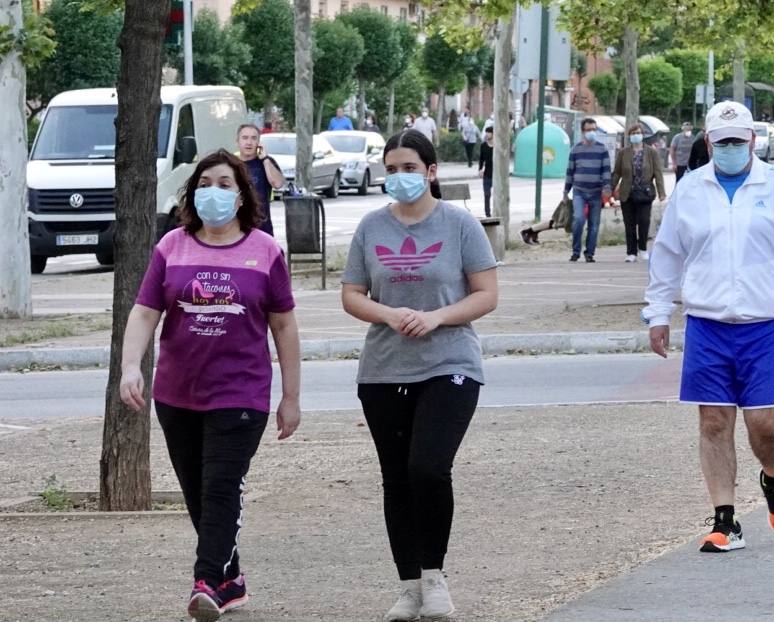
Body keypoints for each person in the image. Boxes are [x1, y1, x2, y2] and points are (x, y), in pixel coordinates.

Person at [643, 101, 774, 555]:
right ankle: (725, 521)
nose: (731, 148)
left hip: (763, 323)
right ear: (709, 142)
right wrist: (658, 314)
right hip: (707, 323)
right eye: (722, 141)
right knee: (713, 420)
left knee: (766, 425)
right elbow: (666, 256)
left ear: (753, 140)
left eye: (738, 140)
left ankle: (772, 480)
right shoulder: (690, 191)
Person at [119, 149, 301, 621]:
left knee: (222, 487)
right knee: (200, 494)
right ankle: (232, 579)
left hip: (241, 392)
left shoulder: (265, 250)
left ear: (241, 195)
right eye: (204, 184)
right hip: (177, 394)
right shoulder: (171, 247)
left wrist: (291, 396)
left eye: (224, 183)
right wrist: (130, 367)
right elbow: (144, 312)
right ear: (191, 192)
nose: (213, 192)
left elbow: (284, 327)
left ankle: (205, 582)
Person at [340, 129, 498, 622]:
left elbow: (486, 294)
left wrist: (435, 317)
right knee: (397, 477)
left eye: (409, 168)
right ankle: (408, 585)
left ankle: (435, 576)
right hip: (385, 368)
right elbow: (352, 293)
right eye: (391, 169)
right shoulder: (370, 227)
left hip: (449, 361)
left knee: (428, 467)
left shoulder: (459, 224)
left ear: (431, 172)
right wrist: (388, 314)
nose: (399, 177)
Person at [612, 123, 667, 263]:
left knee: (644, 221)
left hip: (644, 193)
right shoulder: (623, 153)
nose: (635, 135)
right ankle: (631, 252)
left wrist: (662, 193)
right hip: (627, 193)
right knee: (629, 224)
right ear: (629, 136)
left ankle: (642, 247)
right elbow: (617, 172)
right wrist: (610, 189)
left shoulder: (651, 152)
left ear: (642, 135)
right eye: (633, 133)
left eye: (638, 133)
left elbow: (658, 173)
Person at [563, 118, 612, 263]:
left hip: (596, 192)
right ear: (583, 132)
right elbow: (570, 171)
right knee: (578, 219)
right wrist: (566, 191)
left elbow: (606, 170)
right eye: (588, 130)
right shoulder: (576, 149)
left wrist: (607, 187)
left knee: (594, 224)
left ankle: (589, 253)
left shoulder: (602, 149)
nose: (591, 132)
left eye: (594, 130)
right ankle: (575, 251)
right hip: (579, 191)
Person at [236, 124, 285, 237]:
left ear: (259, 143)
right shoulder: (231, 164)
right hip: (236, 229)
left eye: (254, 138)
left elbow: (277, 183)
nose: (249, 142)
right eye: (245, 138)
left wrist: (265, 159)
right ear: (237, 142)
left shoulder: (266, 162)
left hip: (262, 229)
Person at [477, 126, 495, 217]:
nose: (487, 134)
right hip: (487, 174)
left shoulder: (497, 145)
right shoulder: (483, 145)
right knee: (487, 195)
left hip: (496, 175)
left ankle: (497, 212)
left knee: (497, 196)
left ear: (493, 133)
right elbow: (481, 159)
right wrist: (480, 169)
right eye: (486, 132)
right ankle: (488, 214)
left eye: (489, 132)